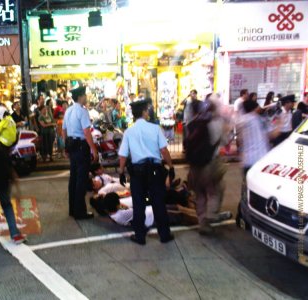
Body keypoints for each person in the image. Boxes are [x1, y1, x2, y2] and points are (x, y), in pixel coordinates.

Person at [118, 99, 175, 245]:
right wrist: (171, 166)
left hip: (137, 172)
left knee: (139, 204)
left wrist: (121, 172)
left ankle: (140, 236)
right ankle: (164, 235)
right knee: (158, 203)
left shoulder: (129, 132)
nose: (148, 112)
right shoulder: (155, 128)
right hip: (155, 171)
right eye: (147, 110)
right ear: (144, 112)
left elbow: (123, 154)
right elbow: (163, 150)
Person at [186, 98, 232, 235]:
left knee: (200, 194)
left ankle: (202, 223)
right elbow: (225, 141)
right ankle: (211, 216)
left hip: (194, 165)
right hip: (209, 163)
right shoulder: (216, 123)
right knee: (215, 190)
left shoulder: (191, 124)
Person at [63, 86, 98, 219]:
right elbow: (86, 132)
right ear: (80, 97)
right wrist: (94, 149)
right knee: (81, 180)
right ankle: (80, 211)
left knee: (73, 178)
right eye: (85, 95)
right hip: (82, 147)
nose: (86, 98)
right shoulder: (82, 112)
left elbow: (64, 131)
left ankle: (72, 209)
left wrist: (66, 147)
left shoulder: (68, 111)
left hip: (72, 146)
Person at [237, 100, 278, 175]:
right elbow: (272, 135)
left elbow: (240, 141)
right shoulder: (260, 119)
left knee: (247, 183)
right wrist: (280, 124)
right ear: (255, 108)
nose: (260, 108)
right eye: (258, 106)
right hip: (260, 159)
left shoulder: (241, 121)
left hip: (247, 160)